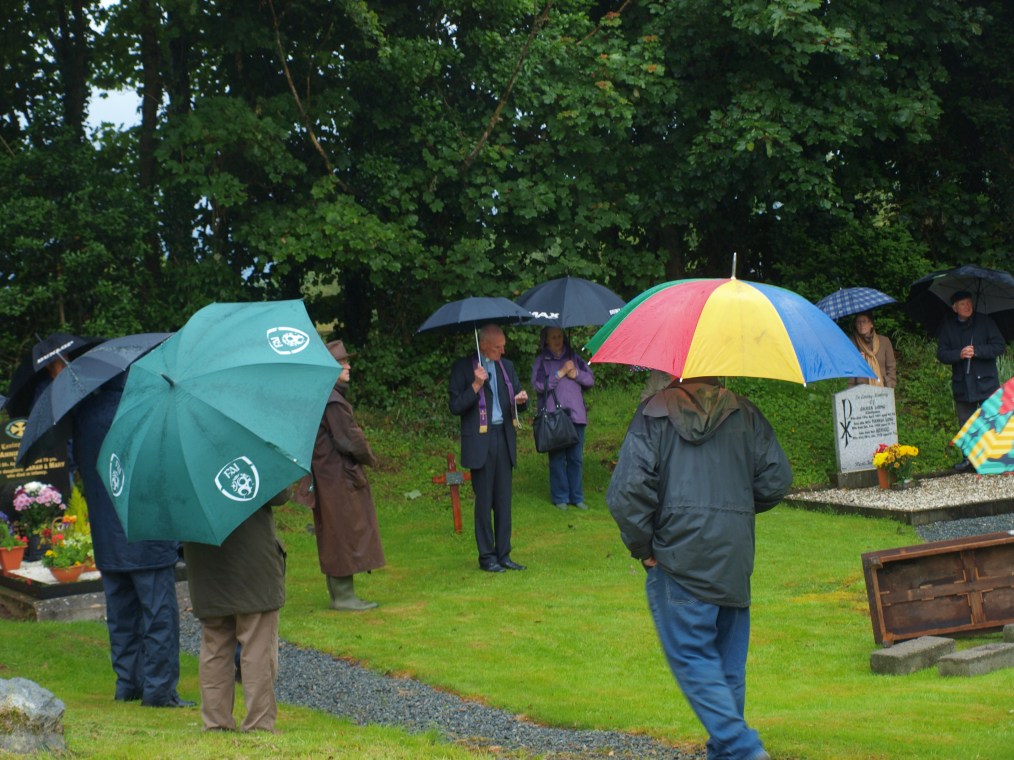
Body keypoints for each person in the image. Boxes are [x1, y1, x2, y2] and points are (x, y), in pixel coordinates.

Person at [606, 377, 792, 760]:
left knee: (694, 658)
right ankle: (729, 753)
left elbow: (627, 491)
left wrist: (644, 548)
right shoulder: (744, 412)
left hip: (678, 558)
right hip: (732, 556)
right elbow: (776, 479)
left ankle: (743, 751)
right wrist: (732, 507)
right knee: (728, 669)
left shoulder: (654, 413)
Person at [72, 376, 192, 708]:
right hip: (147, 530)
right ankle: (159, 690)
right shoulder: (148, 408)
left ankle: (128, 683)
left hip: (107, 532)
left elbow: (79, 464)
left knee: (121, 614)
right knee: (159, 615)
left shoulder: (85, 413)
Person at [296, 340, 385, 611]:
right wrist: (369, 456)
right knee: (343, 532)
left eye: (346, 361)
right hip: (337, 478)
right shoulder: (333, 400)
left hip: (328, 476)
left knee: (334, 532)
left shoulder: (325, 395)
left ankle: (339, 595)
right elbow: (349, 440)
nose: (348, 366)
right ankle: (344, 597)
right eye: (341, 362)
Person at [183, 500, 286, 732]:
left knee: (215, 644)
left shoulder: (182, 464)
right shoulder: (258, 460)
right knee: (257, 644)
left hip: (204, 554)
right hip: (251, 558)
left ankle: (216, 722)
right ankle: (259, 723)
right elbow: (280, 492)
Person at [449, 324, 529, 572]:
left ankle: (504, 554)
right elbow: (455, 406)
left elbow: (516, 402)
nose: (502, 351)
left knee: (503, 501)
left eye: (503, 346)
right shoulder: (464, 368)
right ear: (483, 345)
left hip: (503, 438)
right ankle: (487, 557)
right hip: (480, 442)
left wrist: (520, 400)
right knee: (484, 502)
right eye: (497, 347)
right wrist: (475, 385)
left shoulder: (507, 367)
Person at [936, 290, 1006, 471]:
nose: (967, 306)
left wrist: (978, 351)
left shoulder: (985, 321)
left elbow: (999, 346)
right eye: (962, 304)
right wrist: (959, 354)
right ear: (954, 308)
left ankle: (995, 458)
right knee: (965, 423)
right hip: (962, 384)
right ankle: (969, 460)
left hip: (986, 383)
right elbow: (942, 353)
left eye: (968, 303)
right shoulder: (948, 326)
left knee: (990, 421)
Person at [531, 327, 594, 510]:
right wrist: (559, 373)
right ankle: (560, 497)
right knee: (557, 459)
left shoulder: (574, 357)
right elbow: (538, 385)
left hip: (576, 416)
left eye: (560, 336)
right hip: (554, 417)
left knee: (576, 458)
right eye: (553, 337)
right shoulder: (542, 361)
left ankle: (577, 497)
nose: (558, 340)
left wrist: (576, 374)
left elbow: (590, 380)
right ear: (546, 340)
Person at [847, 311, 896, 388]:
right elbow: (849, 369)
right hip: (860, 391)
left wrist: (890, 382)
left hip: (883, 389)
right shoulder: (851, 343)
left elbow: (891, 366)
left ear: (871, 324)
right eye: (858, 322)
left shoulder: (884, 341)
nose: (861, 324)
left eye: (864, 321)